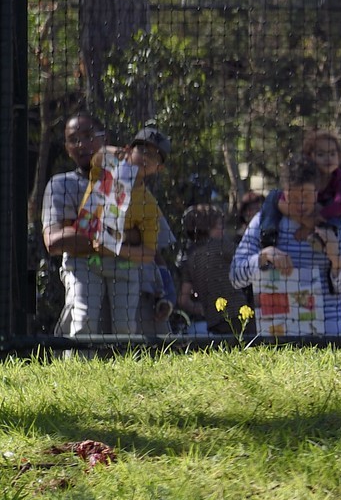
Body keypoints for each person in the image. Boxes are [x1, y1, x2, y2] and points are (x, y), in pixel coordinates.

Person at [41, 112, 174, 336]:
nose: (82, 144)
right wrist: (124, 235)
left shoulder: (146, 200)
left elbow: (153, 251)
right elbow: (55, 243)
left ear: (105, 138)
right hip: (85, 273)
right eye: (74, 139)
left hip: (132, 287)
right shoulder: (62, 184)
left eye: (88, 136)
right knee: (83, 323)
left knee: (129, 335)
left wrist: (168, 293)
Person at [231, 154, 341, 337]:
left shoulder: (340, 227)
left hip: (330, 339)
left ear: (317, 191)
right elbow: (235, 277)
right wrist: (262, 256)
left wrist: (336, 259)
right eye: (293, 196)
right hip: (276, 339)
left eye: (306, 196)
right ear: (283, 192)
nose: (300, 204)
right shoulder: (263, 223)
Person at [256, 129, 341, 249]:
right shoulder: (303, 175)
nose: (328, 159)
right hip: (304, 213)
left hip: (326, 213)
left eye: (332, 154)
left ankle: (323, 236)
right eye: (321, 154)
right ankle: (268, 234)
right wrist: (306, 221)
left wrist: (316, 220)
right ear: (309, 156)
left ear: (340, 156)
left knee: (340, 213)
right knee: (274, 194)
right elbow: (282, 201)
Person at [176, 203, 246, 335]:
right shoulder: (221, 246)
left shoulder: (188, 257)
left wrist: (205, 308)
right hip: (238, 315)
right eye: (219, 225)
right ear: (207, 226)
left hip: (214, 322)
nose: (223, 230)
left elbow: (183, 300)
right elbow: (246, 260)